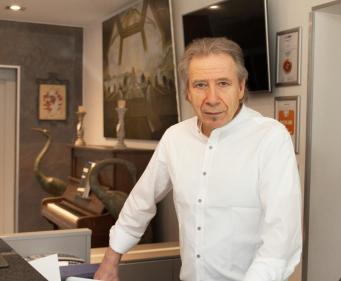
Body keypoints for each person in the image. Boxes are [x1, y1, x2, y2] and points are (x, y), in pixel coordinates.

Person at [94, 37, 302, 281]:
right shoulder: (174, 137)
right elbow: (141, 201)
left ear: (241, 87)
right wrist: (110, 260)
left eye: (223, 83)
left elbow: (281, 237)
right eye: (201, 85)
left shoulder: (270, 137)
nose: (212, 98)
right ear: (187, 92)